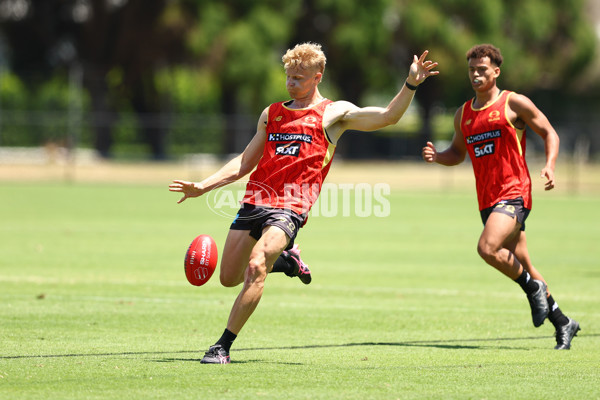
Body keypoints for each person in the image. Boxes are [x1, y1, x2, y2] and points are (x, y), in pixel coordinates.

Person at [170, 42, 439, 363]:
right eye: (288, 76)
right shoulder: (272, 114)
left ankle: (222, 346)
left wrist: (411, 83)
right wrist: (203, 185)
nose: (291, 83)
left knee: (256, 266)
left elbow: (387, 117)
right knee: (229, 277)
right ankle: (285, 261)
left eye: (299, 77)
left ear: (317, 76)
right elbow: (244, 162)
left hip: (291, 206)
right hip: (255, 201)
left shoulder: (333, 113)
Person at [422, 44, 579, 350]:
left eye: (482, 69)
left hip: (514, 193)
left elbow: (550, 133)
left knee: (487, 247)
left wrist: (549, 165)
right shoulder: (463, 114)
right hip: (487, 201)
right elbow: (457, 153)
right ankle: (563, 322)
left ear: (496, 71)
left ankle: (532, 289)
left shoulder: (513, 103)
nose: (476, 75)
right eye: (472, 70)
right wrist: (438, 157)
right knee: (522, 262)